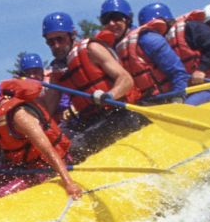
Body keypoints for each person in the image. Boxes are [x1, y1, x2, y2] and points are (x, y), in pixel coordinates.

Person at [0, 71, 83, 200]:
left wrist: (69, 183)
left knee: (4, 194)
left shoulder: (18, 115)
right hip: (22, 166)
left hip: (46, 167)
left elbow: (47, 149)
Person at [40, 10, 137, 152]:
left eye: (60, 39)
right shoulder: (58, 72)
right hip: (91, 120)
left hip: (119, 113)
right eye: (50, 42)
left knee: (75, 147)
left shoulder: (92, 49)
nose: (56, 45)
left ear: (72, 35)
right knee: (60, 142)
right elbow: (46, 109)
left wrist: (109, 95)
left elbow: (126, 79)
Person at [111, 2, 190, 101]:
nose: (111, 23)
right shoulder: (113, 51)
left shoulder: (148, 38)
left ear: (128, 19)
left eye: (116, 18)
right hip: (145, 104)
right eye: (105, 20)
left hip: (167, 98)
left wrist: (178, 98)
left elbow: (178, 73)